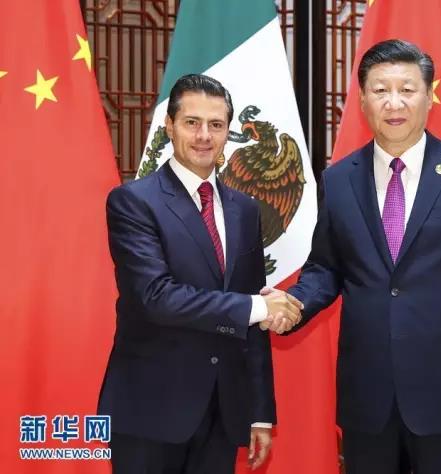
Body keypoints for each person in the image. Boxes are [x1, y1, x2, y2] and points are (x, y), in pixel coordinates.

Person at [262, 39, 441, 473]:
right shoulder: (339, 179)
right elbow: (326, 267)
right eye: (380, 90)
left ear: (429, 96)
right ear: (363, 99)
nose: (394, 102)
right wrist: (294, 303)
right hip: (369, 391)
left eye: (407, 89)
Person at [98, 74, 302, 474]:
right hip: (150, 410)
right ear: (169, 125)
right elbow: (155, 297)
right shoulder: (133, 202)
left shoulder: (245, 210)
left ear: (228, 131)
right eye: (192, 122)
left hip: (222, 413)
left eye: (216, 124)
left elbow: (252, 313)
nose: (204, 136)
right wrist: (258, 307)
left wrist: (259, 412)